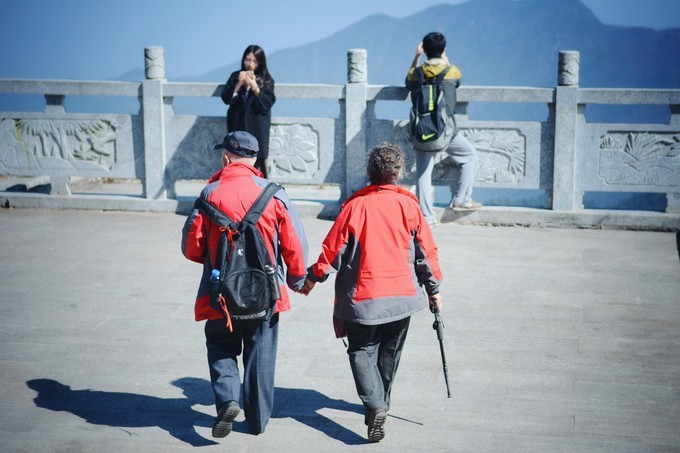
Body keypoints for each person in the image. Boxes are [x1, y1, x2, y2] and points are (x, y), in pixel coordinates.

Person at [299, 143, 443, 443]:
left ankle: (375, 405)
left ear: (368, 172)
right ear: (398, 174)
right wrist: (433, 289)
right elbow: (425, 253)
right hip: (403, 295)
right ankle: (381, 405)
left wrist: (313, 277)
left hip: (364, 297)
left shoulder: (355, 207)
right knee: (390, 351)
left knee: (361, 351)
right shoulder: (409, 206)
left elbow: (333, 250)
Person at [181, 131, 308, 438]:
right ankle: (258, 421)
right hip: (266, 292)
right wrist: (298, 279)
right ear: (255, 160)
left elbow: (191, 246)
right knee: (260, 352)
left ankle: (228, 399)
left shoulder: (209, 193)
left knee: (220, 344)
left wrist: (214, 255)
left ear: (226, 158)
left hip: (220, 291)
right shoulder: (274, 193)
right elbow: (294, 243)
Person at [406, 32, 482, 224]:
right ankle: (461, 200)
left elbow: (408, 82)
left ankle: (427, 217)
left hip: (422, 131)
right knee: (469, 156)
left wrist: (416, 57)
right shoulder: (452, 71)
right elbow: (458, 82)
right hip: (446, 133)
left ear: (424, 49)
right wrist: (445, 59)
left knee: (423, 173)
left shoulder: (417, 73)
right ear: (444, 50)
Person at [221, 45, 276, 178]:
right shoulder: (235, 76)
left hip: (257, 126)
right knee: (235, 158)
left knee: (258, 160)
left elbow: (268, 103)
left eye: (254, 61)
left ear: (260, 63)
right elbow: (226, 99)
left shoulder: (266, 80)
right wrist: (239, 84)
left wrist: (254, 87)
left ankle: (259, 188)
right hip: (237, 124)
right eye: (247, 60)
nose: (250, 64)